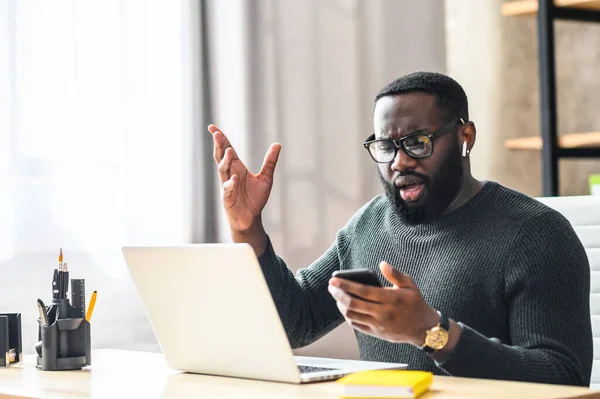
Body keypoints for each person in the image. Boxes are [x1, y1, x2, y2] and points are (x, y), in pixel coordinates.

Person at [207, 71, 592, 386]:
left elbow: (563, 378)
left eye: (418, 143)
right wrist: (249, 229)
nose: (399, 162)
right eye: (386, 147)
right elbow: (295, 324)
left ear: (465, 136)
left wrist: (432, 333)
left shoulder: (536, 234)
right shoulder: (368, 225)